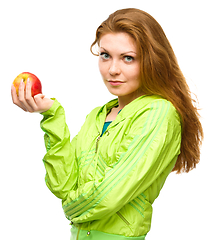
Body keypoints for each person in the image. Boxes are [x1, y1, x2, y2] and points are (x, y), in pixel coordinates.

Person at [11, 8, 203, 240]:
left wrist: (69, 208)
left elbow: (108, 195)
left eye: (128, 58)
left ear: (152, 61)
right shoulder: (98, 115)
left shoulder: (158, 113)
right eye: (105, 55)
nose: (112, 69)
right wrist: (52, 115)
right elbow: (63, 185)